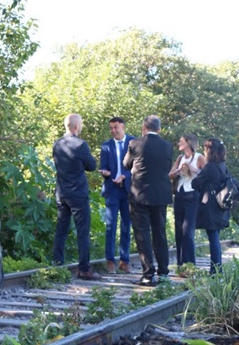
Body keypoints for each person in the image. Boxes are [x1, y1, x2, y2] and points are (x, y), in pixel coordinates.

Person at [123, 115, 173, 286]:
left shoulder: (135, 144)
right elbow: (165, 167)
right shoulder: (167, 146)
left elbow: (126, 164)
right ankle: (164, 273)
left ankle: (148, 274)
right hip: (160, 195)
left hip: (140, 195)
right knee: (160, 233)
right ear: (159, 129)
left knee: (142, 234)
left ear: (144, 127)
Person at [51, 114, 101, 281]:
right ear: (76, 126)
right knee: (82, 231)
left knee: (61, 230)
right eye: (81, 124)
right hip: (77, 194)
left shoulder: (57, 144)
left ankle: (57, 264)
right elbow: (92, 166)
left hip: (61, 193)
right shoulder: (80, 145)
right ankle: (84, 269)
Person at [98, 117, 134, 274]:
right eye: (111, 128)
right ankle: (110, 260)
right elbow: (103, 167)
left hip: (127, 190)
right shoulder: (106, 146)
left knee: (126, 226)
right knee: (110, 226)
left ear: (123, 127)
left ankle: (124, 260)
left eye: (116, 127)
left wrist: (125, 175)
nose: (113, 130)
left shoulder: (133, 143)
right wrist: (105, 172)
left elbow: (138, 166)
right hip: (112, 189)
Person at [168, 134, 206, 274]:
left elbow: (207, 174)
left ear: (189, 143)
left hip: (193, 195)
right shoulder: (180, 158)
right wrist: (178, 171)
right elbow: (170, 175)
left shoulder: (199, 157)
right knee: (178, 230)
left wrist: (193, 169)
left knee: (187, 230)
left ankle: (189, 266)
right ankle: (180, 265)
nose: (179, 142)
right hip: (179, 194)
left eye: (181, 141)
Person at [192, 138, 230, 274]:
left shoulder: (210, 166)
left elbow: (195, 184)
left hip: (211, 207)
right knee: (216, 237)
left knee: (213, 237)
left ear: (209, 150)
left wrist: (196, 174)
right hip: (221, 206)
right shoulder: (223, 165)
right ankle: (217, 269)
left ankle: (215, 271)